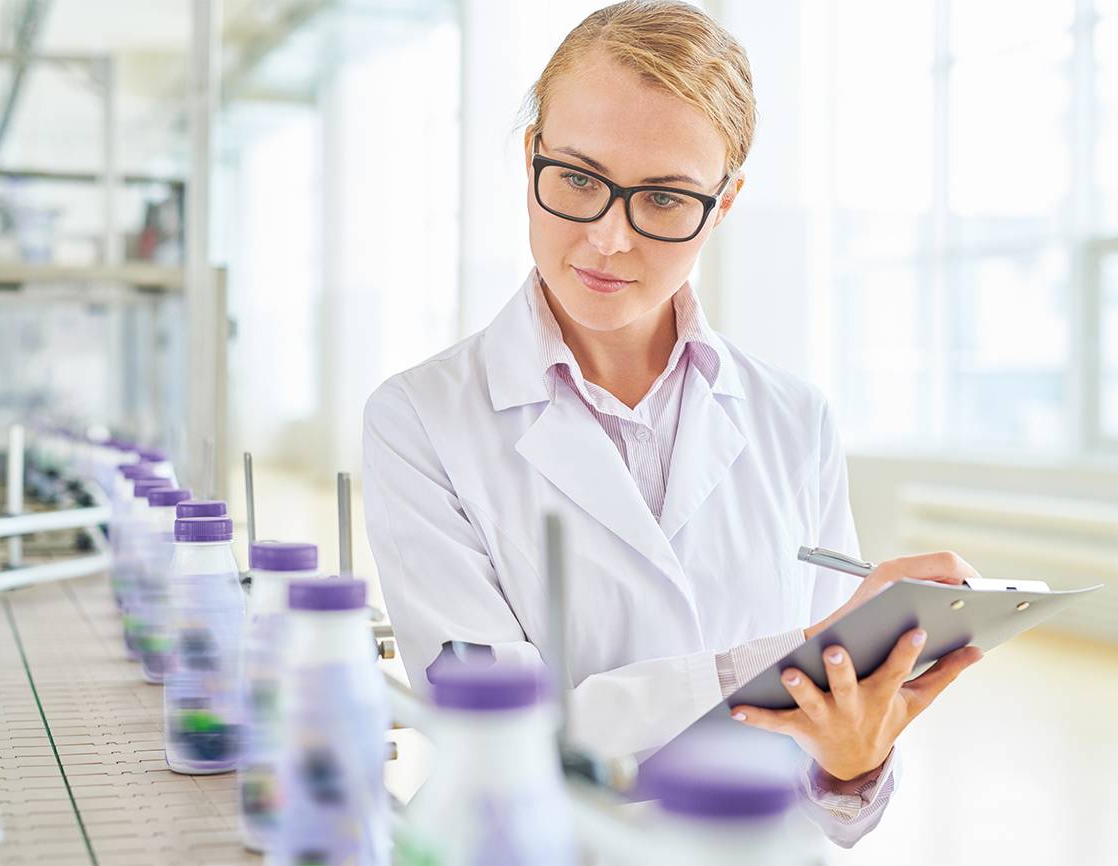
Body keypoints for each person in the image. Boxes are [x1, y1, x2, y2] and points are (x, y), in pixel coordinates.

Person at [362, 0, 983, 849]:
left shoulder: (793, 419)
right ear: (529, 158)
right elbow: (502, 735)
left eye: (661, 198)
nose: (609, 239)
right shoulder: (420, 419)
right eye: (577, 179)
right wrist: (773, 666)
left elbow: (836, 764)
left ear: (722, 204)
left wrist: (852, 764)